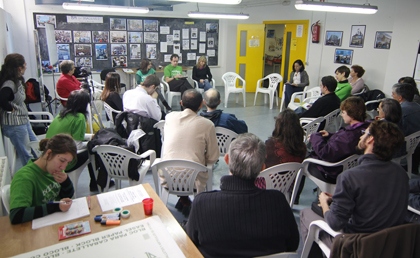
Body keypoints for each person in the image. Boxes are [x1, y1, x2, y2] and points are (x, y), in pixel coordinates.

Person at [300, 120, 408, 257]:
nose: (361, 136)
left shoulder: (350, 177)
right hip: (388, 245)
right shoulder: (401, 174)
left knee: (306, 214)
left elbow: (335, 223)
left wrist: (324, 203)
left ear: (371, 140)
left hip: (356, 247)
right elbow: (376, 197)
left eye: (364, 133)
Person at [185, 133, 299, 257]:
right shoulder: (278, 201)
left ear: (227, 159)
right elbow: (293, 244)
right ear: (262, 168)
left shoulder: (202, 203)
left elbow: (190, 243)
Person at [162, 89, 219, 215]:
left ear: (181, 103)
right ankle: (188, 201)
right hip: (193, 180)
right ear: (201, 105)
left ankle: (183, 199)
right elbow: (213, 157)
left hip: (168, 176)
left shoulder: (169, 117)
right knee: (198, 164)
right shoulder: (207, 124)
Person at [9, 134, 76, 224]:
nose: (63, 166)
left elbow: (67, 196)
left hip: (55, 221)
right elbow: (16, 215)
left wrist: (66, 182)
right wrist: (55, 207)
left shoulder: (54, 169)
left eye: (68, 162)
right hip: (36, 229)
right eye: (62, 160)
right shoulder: (25, 177)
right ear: (48, 154)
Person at [308, 96, 370, 183]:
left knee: (303, 161)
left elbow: (325, 153)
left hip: (331, 171)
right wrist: (330, 135)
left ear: (351, 115)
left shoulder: (348, 136)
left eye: (343, 112)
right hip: (350, 168)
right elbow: (342, 143)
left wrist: (314, 137)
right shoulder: (366, 129)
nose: (341, 115)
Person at [46, 89, 98, 191]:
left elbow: (73, 135)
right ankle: (95, 183)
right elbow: (77, 146)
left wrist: (90, 136)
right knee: (94, 150)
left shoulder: (61, 115)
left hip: (50, 157)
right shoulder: (80, 117)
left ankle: (95, 183)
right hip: (64, 161)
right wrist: (91, 142)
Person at [0, 53, 38, 167]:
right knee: (27, 155)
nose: (26, 66)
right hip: (14, 124)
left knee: (37, 148)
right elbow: (2, 99)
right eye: (25, 64)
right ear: (19, 68)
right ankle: (31, 181)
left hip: (23, 120)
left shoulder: (17, 80)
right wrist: (11, 109)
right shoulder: (9, 83)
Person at [255, 110, 306, 189]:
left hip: (269, 185)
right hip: (290, 185)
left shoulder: (271, 145)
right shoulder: (302, 147)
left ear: (278, 126)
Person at [392, 83, 420, 175]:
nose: (392, 96)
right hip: (415, 145)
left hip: (403, 147)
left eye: (393, 94)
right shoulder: (417, 106)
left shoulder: (400, 111)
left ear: (400, 97)